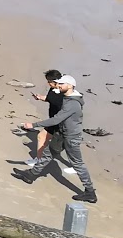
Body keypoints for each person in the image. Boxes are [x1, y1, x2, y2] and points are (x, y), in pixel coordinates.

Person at [14, 72, 98, 204]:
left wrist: (34, 125)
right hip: (61, 134)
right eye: (58, 83)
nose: (58, 85)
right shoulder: (67, 97)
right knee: (47, 154)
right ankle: (30, 175)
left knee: (77, 164)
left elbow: (57, 119)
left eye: (61, 84)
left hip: (71, 138)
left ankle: (90, 192)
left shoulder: (73, 103)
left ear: (70, 86)